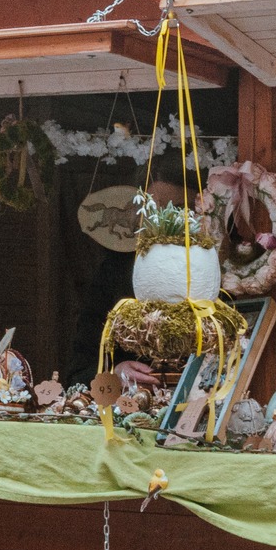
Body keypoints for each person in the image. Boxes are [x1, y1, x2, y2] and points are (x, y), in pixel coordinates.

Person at [65, 166, 186, 388]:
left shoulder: (209, 270)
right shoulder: (114, 274)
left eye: (178, 211)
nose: (164, 224)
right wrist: (116, 373)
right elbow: (80, 369)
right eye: (154, 211)